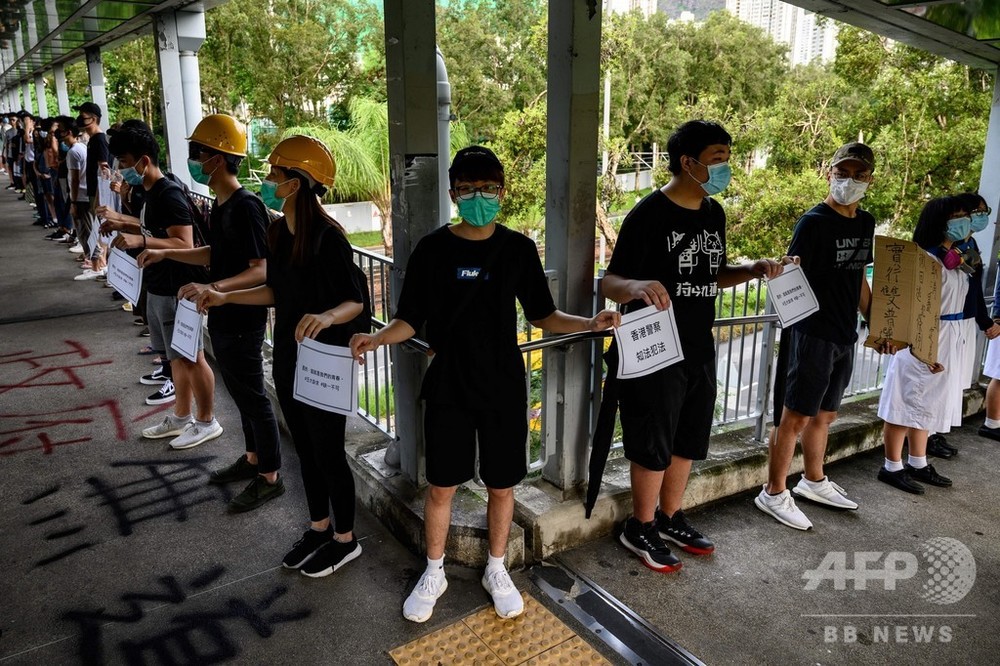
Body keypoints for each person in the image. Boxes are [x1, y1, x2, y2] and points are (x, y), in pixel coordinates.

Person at [350, 145, 620, 620]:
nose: (480, 197)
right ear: (454, 193)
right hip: (450, 382)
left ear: (503, 192)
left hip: (502, 384)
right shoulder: (433, 249)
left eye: (489, 189)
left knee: (502, 485)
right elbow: (410, 319)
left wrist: (590, 323)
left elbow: (543, 314)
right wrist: (375, 338)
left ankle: (497, 568)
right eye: (470, 190)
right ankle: (434, 569)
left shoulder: (516, 249)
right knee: (441, 486)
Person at [602, 120, 788, 572]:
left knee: (688, 440)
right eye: (718, 159)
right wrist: (639, 285)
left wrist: (751, 270)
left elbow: (713, 273)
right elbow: (610, 282)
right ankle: (640, 526)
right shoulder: (648, 214)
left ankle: (669, 517)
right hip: (655, 351)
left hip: (699, 348)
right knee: (653, 441)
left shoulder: (712, 214)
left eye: (727, 158)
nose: (725, 168)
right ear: (688, 162)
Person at [198, 136, 367, 576]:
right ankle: (318, 527)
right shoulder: (277, 231)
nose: (270, 179)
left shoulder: (329, 238)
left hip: (326, 362)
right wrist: (223, 297)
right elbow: (275, 291)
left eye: (277, 173)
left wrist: (328, 316)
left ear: (298, 182)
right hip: (292, 358)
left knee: (329, 452)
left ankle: (346, 540)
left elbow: (355, 300)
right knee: (306, 451)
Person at [139, 114, 283, 514]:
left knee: (253, 396)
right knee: (239, 393)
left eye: (198, 152)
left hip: (241, 317)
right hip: (221, 312)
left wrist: (215, 288)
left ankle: (270, 475)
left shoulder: (246, 206)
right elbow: (215, 255)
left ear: (218, 159)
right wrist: (166, 251)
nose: (194, 160)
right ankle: (253, 459)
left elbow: (261, 268)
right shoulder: (221, 206)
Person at [756, 142, 877, 531]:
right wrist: (786, 266)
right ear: (830, 172)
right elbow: (792, 272)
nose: (849, 180)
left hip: (844, 333)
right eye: (843, 171)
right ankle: (773, 491)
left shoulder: (866, 223)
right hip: (811, 333)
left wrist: (877, 322)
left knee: (825, 415)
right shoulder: (813, 222)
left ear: (869, 179)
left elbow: (859, 276)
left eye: (859, 174)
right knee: (795, 416)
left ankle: (813, 480)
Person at [101, 123, 222, 450]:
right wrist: (124, 223)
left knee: (192, 356)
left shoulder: (168, 192)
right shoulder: (149, 192)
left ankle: (208, 420)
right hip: (156, 286)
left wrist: (140, 239)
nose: (120, 169)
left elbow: (185, 242)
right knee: (175, 358)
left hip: (177, 288)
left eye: (124, 162)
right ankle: (182, 416)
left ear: (142, 160)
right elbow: (150, 227)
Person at [876, 196, 984, 494]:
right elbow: (907, 308)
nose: (964, 221)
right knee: (904, 403)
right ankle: (891, 466)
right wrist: (921, 348)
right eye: (958, 216)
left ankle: (918, 461)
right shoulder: (922, 260)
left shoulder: (957, 257)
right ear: (939, 222)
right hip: (921, 339)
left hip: (947, 335)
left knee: (925, 404)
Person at [75, 102, 109, 278]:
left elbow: (103, 170)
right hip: (93, 191)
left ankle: (100, 264)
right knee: (96, 227)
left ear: (94, 119)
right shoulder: (92, 140)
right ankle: (99, 263)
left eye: (84, 117)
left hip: (97, 192)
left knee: (97, 227)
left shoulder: (99, 140)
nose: (80, 120)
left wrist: (99, 196)